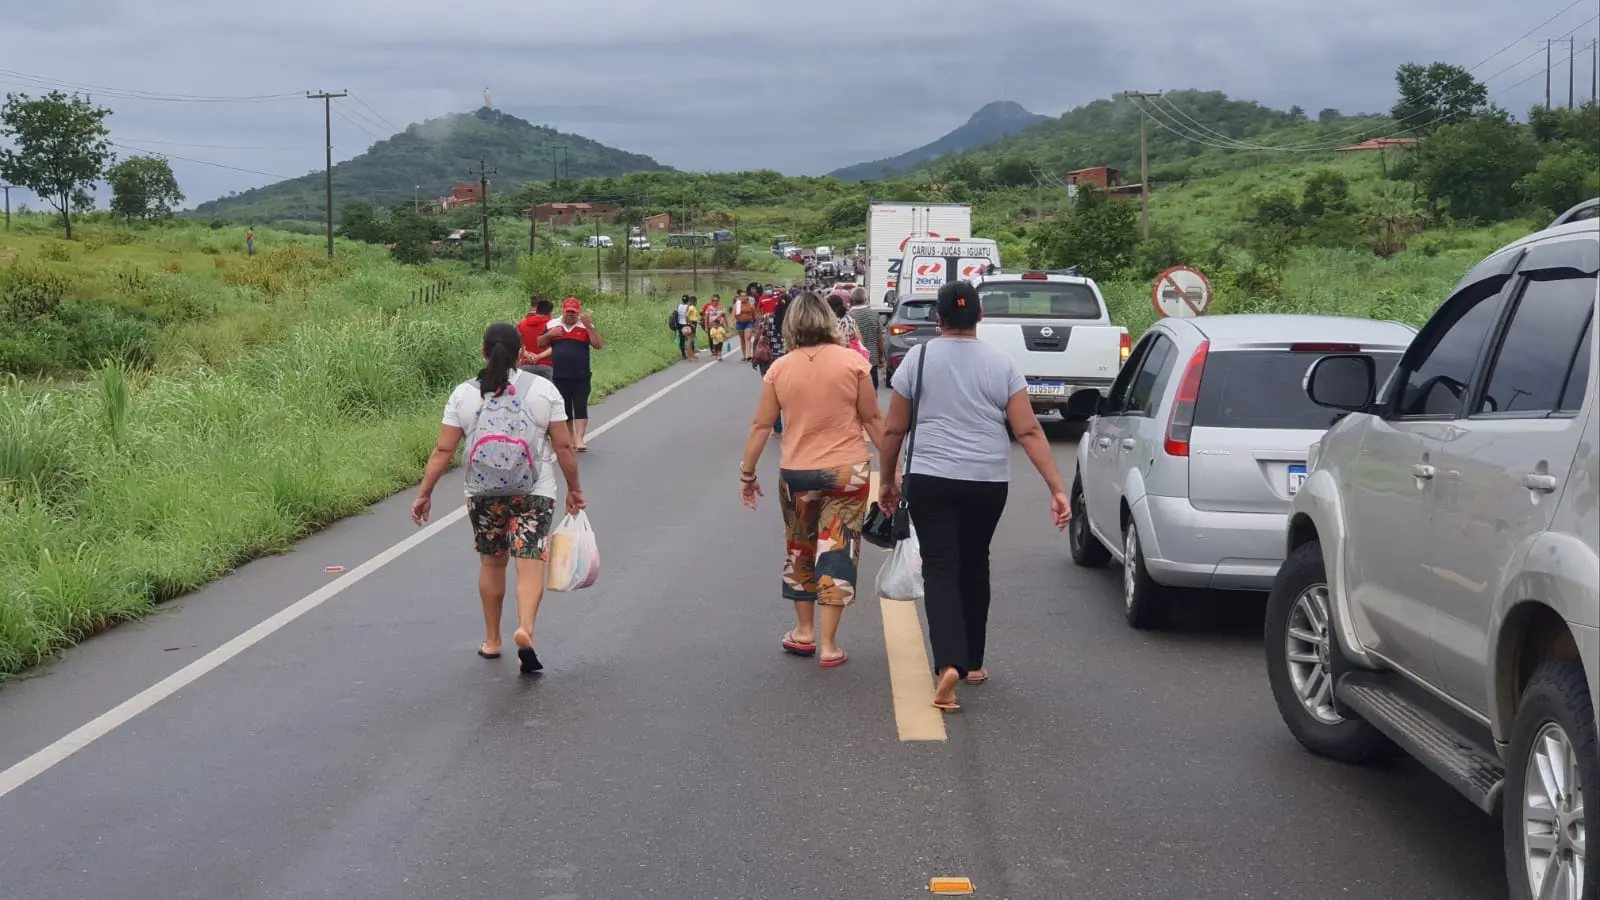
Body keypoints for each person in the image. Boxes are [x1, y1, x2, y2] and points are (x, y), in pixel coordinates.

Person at [877, 280, 1072, 713]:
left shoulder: (918, 359)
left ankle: (947, 663)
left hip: (930, 477)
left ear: (939, 319)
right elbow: (1027, 430)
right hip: (987, 482)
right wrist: (1057, 488)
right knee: (975, 561)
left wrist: (887, 481)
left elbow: (894, 429)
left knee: (941, 566)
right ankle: (974, 662)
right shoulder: (1002, 364)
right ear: (980, 316)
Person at [412, 322, 585, 674]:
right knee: (530, 559)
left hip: (482, 492)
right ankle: (526, 629)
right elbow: (564, 446)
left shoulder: (463, 394)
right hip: (534, 490)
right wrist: (575, 489)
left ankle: (492, 640)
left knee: (492, 562)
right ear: (522, 353)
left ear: (483, 352)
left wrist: (424, 493)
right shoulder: (543, 390)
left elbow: (444, 449)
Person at [739, 293, 887, 669]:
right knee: (838, 549)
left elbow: (760, 425)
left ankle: (803, 634)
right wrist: (894, 467)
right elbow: (872, 419)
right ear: (827, 321)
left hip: (798, 473)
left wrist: (748, 473)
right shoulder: (855, 363)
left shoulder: (779, 369)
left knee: (801, 549)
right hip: (847, 472)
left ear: (790, 326)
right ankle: (831, 645)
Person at [538, 297, 605, 452]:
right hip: (561, 375)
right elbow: (540, 343)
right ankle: (570, 437)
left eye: (574, 313)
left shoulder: (584, 326)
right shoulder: (552, 325)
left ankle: (580, 438)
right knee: (565, 408)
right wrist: (550, 334)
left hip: (581, 374)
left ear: (578, 313)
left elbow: (598, 345)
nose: (570, 316)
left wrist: (589, 327)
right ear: (563, 310)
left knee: (580, 406)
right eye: (568, 312)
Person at [518, 296, 555, 379]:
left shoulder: (521, 324)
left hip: (526, 366)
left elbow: (518, 345)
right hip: (547, 367)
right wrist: (538, 357)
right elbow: (555, 347)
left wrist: (528, 355)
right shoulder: (552, 325)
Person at [733, 289, 757, 359]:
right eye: (742, 296)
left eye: (744, 296)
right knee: (742, 339)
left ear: (747, 297)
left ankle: (748, 355)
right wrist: (732, 322)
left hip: (749, 322)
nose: (743, 297)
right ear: (739, 297)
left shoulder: (751, 304)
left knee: (748, 337)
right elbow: (733, 313)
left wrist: (756, 322)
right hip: (739, 322)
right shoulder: (737, 304)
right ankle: (743, 355)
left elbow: (754, 314)